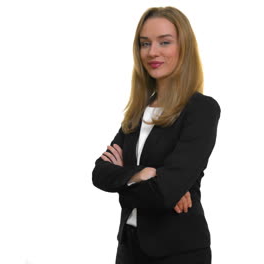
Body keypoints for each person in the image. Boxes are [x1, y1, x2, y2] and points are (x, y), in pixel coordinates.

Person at [92, 6, 220, 264]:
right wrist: (142, 174)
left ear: (183, 47)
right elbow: (99, 173)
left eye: (165, 42)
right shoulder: (138, 112)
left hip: (177, 252)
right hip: (129, 246)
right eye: (145, 43)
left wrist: (125, 180)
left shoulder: (201, 110)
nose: (152, 52)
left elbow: (164, 192)